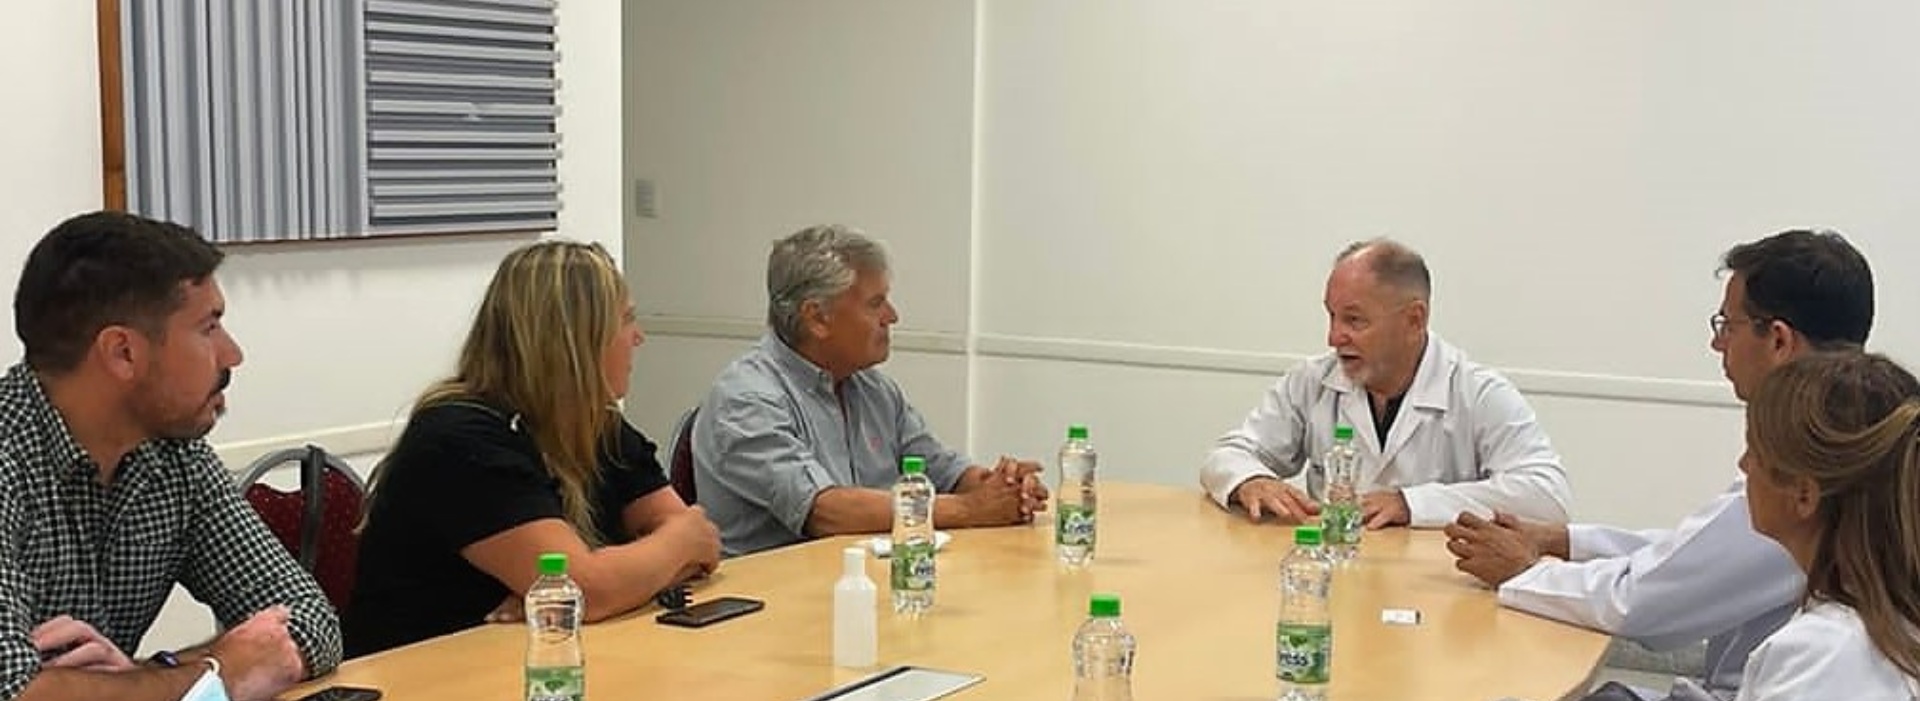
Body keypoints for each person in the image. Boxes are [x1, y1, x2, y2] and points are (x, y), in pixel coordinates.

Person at [1445, 230, 1874, 700]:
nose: (1717, 345)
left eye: (1727, 326)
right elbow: (1691, 554)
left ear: (1777, 340)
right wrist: (1563, 541)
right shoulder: (1847, 432)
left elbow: (1650, 600)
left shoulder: (1816, 464)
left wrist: (1526, 572)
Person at [0, 211, 339, 701]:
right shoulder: (10, 458)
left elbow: (308, 620)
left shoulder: (175, 456)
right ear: (123, 353)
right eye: (208, 328)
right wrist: (223, 672)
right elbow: (14, 692)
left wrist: (147, 678)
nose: (232, 354)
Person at [344, 240, 720, 658]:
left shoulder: (596, 423)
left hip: (544, 661)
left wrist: (614, 578)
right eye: (626, 320)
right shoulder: (460, 437)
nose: (639, 337)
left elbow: (701, 543)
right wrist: (638, 567)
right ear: (574, 341)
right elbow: (592, 590)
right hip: (428, 674)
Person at [694, 224, 1048, 556]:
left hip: (863, 580)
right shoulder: (746, 399)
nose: (892, 316)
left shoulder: (872, 388)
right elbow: (823, 511)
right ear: (817, 318)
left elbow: (940, 470)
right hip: (771, 592)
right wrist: (970, 510)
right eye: (876, 304)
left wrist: (1002, 487)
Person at [1199, 238, 1571, 529]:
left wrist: (1412, 504)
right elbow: (1228, 454)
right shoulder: (1312, 381)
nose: (1334, 337)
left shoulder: (1478, 393)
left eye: (1354, 320)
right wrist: (1251, 480)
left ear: (1414, 320)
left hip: (1436, 587)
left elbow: (1547, 496)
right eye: (1331, 316)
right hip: (1338, 571)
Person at [1734, 351, 1920, 699]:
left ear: (1804, 495)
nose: (1743, 466)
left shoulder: (1822, 657)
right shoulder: (1886, 629)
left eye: (1754, 450)